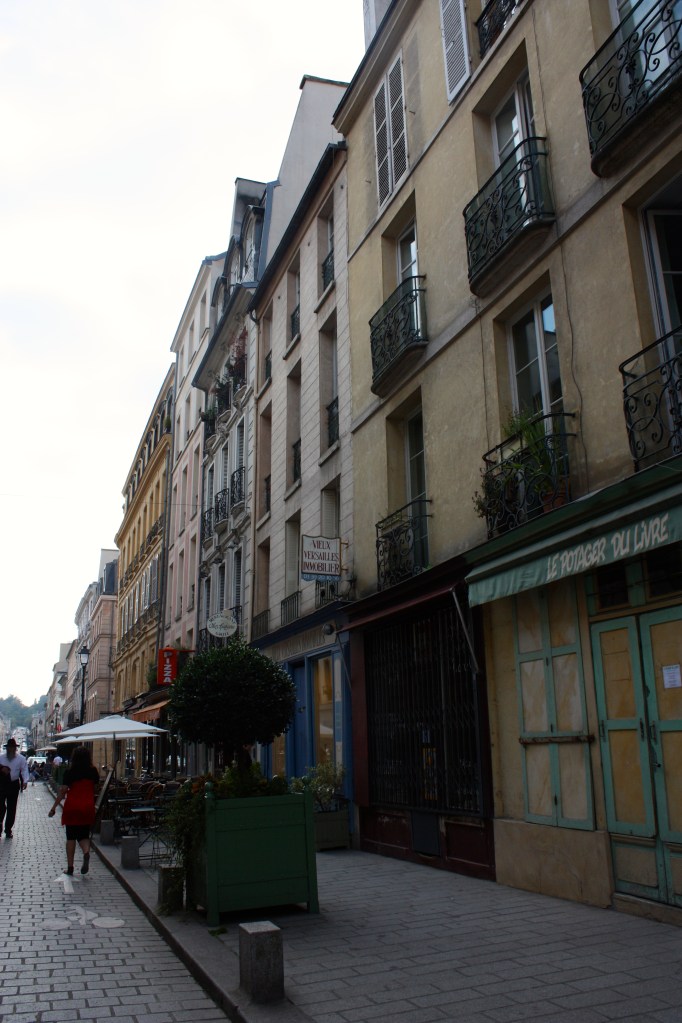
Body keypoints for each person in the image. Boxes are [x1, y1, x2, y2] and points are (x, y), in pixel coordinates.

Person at [48, 746, 100, 875]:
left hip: (72, 807)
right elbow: (96, 787)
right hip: (87, 806)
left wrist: (54, 807)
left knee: (70, 837)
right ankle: (86, 851)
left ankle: (70, 868)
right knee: (83, 835)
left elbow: (63, 792)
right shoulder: (93, 771)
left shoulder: (70, 772)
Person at [0, 737, 29, 838]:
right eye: (9, 748)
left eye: (12, 748)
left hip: (13, 784)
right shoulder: (1, 758)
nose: (10, 750)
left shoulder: (21, 759)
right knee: (1, 806)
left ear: (15, 749)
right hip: (2, 784)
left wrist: (25, 781)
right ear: (7, 748)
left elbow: (24, 770)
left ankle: (8, 829)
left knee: (12, 808)